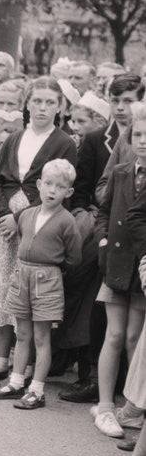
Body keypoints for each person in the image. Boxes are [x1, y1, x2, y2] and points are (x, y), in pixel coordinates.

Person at [0, 159, 81, 408]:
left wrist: (53, 271)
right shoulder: (26, 214)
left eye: (59, 187)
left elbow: (74, 258)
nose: (52, 190)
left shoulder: (66, 221)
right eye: (48, 183)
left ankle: (37, 390)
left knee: (41, 338)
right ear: (38, 184)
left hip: (47, 281)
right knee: (23, 334)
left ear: (68, 192)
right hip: (22, 277)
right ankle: (16, 382)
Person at [90, 104, 146, 437]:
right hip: (115, 263)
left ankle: (131, 407)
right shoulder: (123, 172)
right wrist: (102, 241)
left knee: (132, 337)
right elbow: (103, 212)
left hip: (141, 270)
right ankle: (105, 404)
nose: (143, 141)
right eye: (138, 135)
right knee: (113, 334)